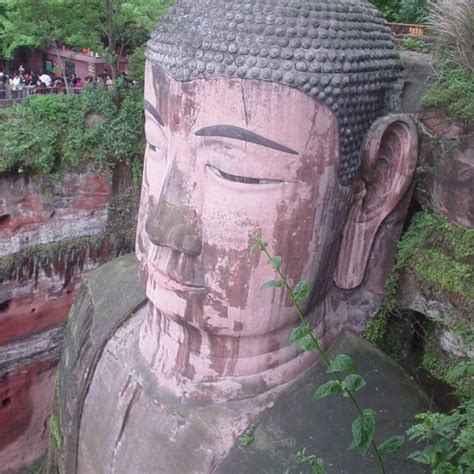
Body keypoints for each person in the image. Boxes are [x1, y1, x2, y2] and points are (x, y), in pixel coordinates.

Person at [55, 1, 419, 472]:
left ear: (372, 190)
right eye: (154, 144)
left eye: (235, 172)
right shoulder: (98, 306)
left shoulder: (376, 440)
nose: (161, 227)